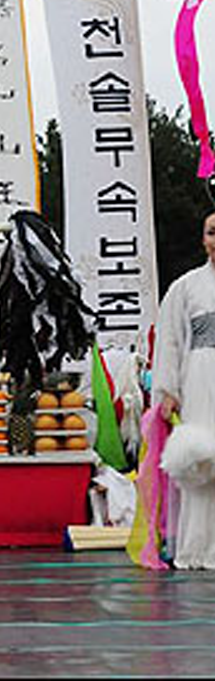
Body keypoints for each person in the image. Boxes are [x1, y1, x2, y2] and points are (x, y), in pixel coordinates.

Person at [156, 211, 215, 570]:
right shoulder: (185, 287)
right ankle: (198, 549)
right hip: (201, 377)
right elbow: (170, 341)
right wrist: (168, 389)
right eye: (212, 232)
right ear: (203, 239)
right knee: (201, 461)